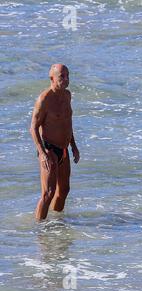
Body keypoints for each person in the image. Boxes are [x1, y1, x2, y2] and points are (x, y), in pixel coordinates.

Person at [30, 64, 80, 221]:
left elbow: (67, 123)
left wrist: (74, 146)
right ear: (52, 78)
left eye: (67, 76)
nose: (66, 80)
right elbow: (33, 128)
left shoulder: (67, 95)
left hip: (64, 149)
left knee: (64, 190)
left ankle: (56, 225)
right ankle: (39, 229)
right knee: (48, 193)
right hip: (49, 149)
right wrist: (43, 153)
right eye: (62, 77)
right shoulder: (44, 99)